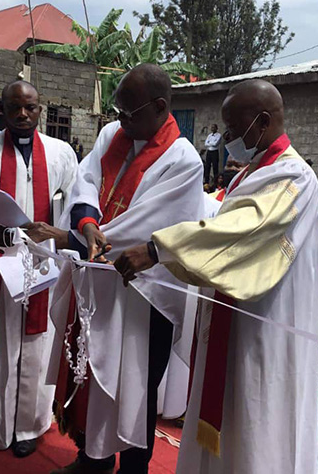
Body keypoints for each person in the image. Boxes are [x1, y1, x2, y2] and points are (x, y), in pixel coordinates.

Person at [114, 78, 318, 474]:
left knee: (253, 420)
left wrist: (158, 249)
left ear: (262, 121)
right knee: (227, 413)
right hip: (233, 316)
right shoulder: (252, 172)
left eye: (232, 127)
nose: (226, 137)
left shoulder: (292, 176)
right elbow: (218, 220)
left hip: (264, 328)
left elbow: (244, 232)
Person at [51, 64, 204, 474]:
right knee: (94, 376)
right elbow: (86, 181)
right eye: (118, 112)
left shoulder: (183, 160)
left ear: (159, 107)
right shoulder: (111, 137)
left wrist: (88, 239)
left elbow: (155, 226)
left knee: (136, 388)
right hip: (100, 284)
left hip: (144, 295)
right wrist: (86, 225)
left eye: (128, 113)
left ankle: (135, 467)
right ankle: (92, 459)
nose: (120, 121)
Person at [0, 80, 78, 456]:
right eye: (15, 108)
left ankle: (28, 427)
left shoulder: (60, 153)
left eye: (31, 107)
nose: (23, 114)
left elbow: (72, 203)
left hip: (42, 265)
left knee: (36, 343)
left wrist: (59, 235)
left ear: (41, 109)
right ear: (1, 111)